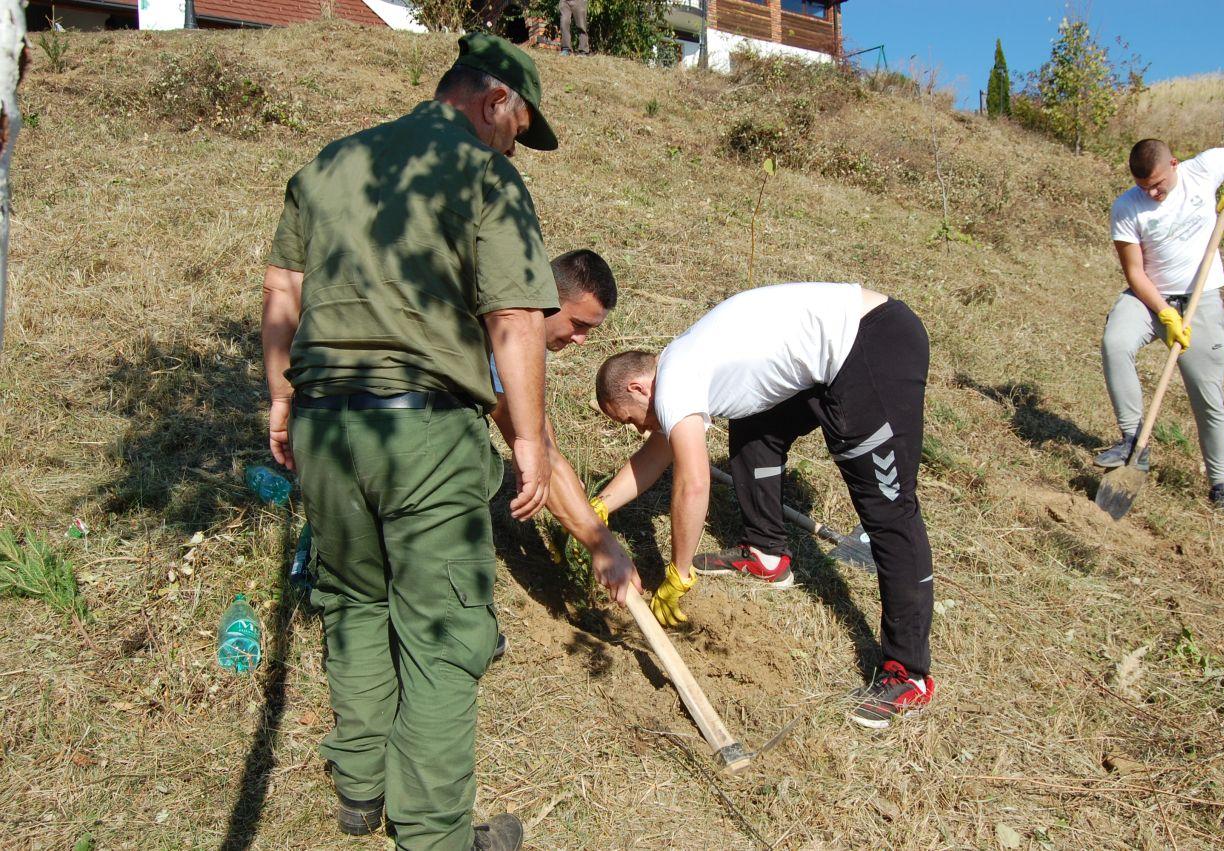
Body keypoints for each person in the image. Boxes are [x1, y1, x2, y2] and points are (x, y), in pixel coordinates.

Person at [260, 32, 561, 851]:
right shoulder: (485, 176)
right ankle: (432, 836)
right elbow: (515, 319)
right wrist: (529, 441)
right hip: (424, 431)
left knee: (352, 601)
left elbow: (284, 282)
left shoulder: (330, 163)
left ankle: (359, 790)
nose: (513, 145)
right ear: (493, 100)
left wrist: (279, 397)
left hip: (323, 421)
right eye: (516, 126)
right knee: (442, 631)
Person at [592, 282, 937, 729]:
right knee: (755, 425)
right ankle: (766, 552)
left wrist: (678, 572)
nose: (639, 430)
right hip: (834, 352)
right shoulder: (681, 366)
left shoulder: (675, 381)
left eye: (630, 420)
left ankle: (909, 673)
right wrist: (599, 504)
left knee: (888, 509)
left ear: (639, 387)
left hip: (871, 344)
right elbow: (658, 452)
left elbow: (693, 483)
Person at [1095, 137, 1224, 516]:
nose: (1152, 193)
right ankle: (1134, 439)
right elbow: (1135, 273)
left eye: (1157, 183)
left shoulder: (1202, 170)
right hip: (1150, 297)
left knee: (1206, 395)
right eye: (1143, 187)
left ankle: (1219, 484)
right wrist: (1165, 313)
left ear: (1174, 163)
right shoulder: (1126, 207)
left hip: (1201, 299)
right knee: (1115, 341)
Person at [488, 249, 641, 607]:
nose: (582, 340)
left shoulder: (520, 333)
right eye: (578, 324)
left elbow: (548, 455)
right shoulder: (505, 336)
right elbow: (542, 464)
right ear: (546, 299)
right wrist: (603, 546)